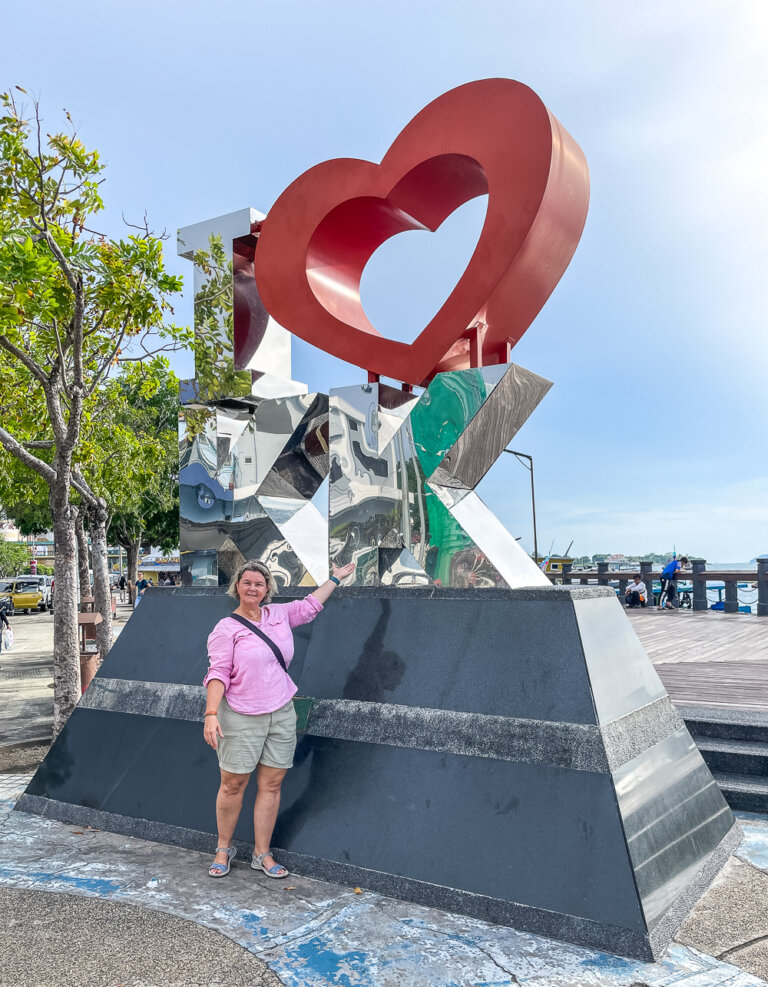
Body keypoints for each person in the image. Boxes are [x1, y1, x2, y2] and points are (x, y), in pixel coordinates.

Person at [203, 558, 355, 879]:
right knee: (233, 785)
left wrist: (336, 578)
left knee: (271, 786)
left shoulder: (279, 614)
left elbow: (311, 605)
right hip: (240, 716)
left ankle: (262, 853)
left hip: (281, 713)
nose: (253, 589)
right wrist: (211, 713)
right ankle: (223, 848)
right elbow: (217, 674)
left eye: (259, 584)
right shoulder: (226, 629)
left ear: (267, 588)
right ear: (238, 587)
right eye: (247, 583)